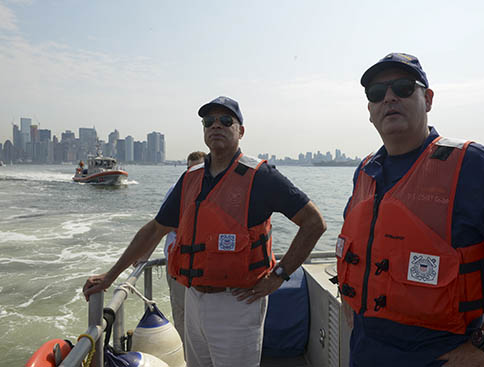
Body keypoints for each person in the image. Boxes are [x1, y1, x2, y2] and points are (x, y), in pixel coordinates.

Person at [336, 52, 484, 367]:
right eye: (377, 93)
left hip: (439, 354)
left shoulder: (473, 166)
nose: (389, 98)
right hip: (366, 349)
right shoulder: (366, 171)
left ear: (429, 99)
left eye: (404, 87)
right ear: (369, 110)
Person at [83, 96, 326, 367]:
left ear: (240, 131)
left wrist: (279, 275)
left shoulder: (261, 176)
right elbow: (155, 230)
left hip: (238, 303)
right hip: (194, 299)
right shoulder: (190, 177)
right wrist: (110, 276)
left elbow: (314, 223)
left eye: (226, 120)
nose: (216, 126)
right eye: (209, 121)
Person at [162, 151, 206, 345]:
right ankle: (186, 356)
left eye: (199, 169)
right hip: (177, 263)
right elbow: (162, 223)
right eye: (190, 169)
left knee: (203, 317)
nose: (193, 173)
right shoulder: (176, 190)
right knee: (181, 314)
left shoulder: (216, 191)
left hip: (204, 266)